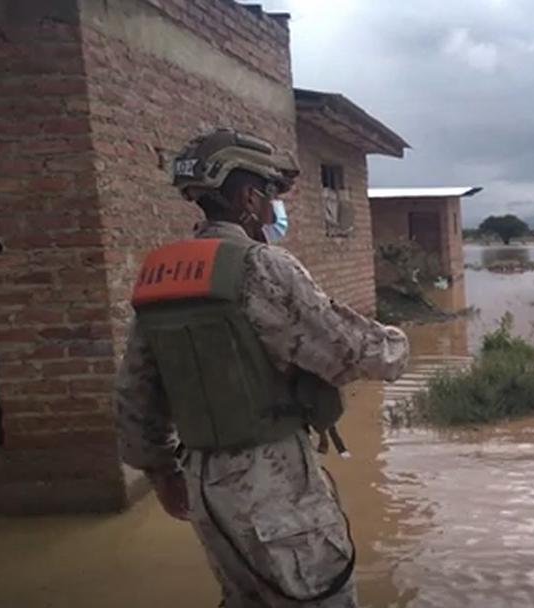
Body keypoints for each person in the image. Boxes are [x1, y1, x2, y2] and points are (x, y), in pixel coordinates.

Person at [115, 128, 409, 607]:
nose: (275, 209)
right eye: (272, 195)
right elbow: (347, 351)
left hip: (205, 487)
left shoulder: (159, 274)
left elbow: (135, 394)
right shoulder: (262, 266)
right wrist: (399, 344)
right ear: (249, 198)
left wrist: (159, 472)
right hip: (273, 485)